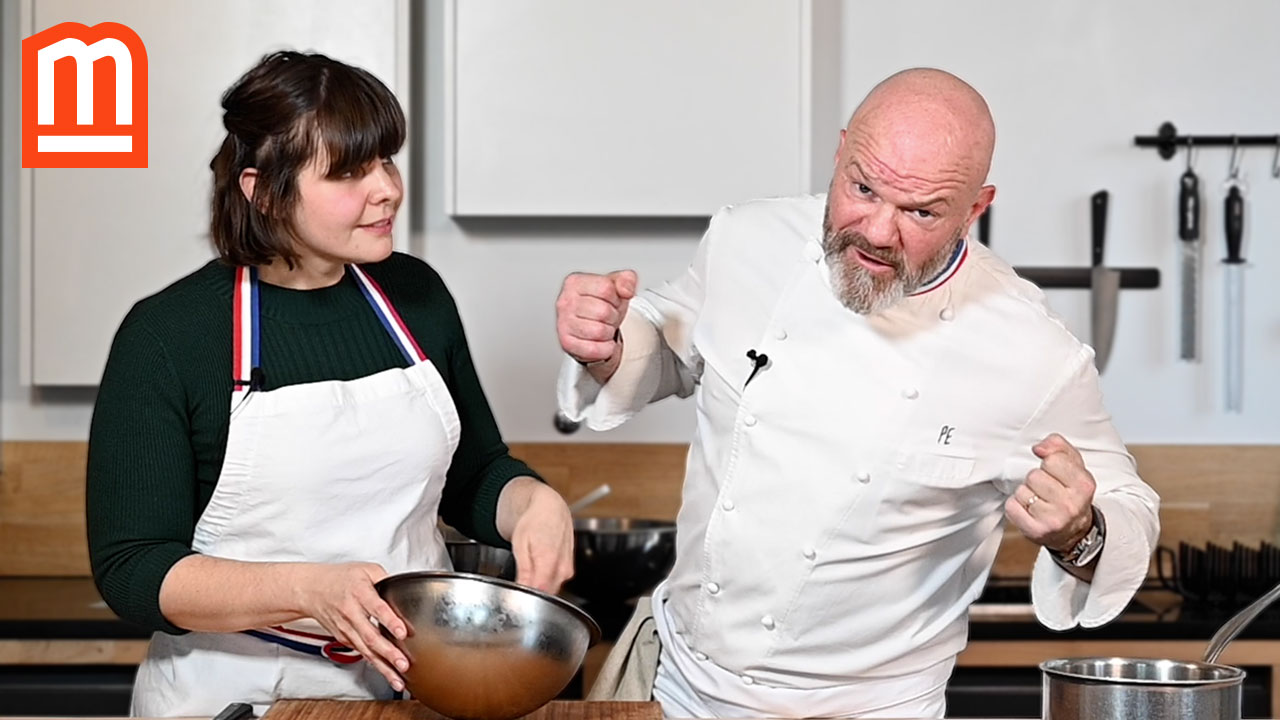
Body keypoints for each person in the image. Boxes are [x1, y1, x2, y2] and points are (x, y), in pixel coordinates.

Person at [554, 68, 1160, 718]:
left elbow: (1127, 507)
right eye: (862, 188)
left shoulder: (1033, 351)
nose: (876, 231)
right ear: (841, 151)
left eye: (920, 211)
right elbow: (671, 338)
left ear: (976, 208)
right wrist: (611, 340)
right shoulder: (745, 239)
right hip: (683, 693)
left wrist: (1079, 533)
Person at [86, 51, 574, 718]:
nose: (388, 189)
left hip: (406, 686)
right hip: (232, 692)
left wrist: (531, 503)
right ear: (262, 190)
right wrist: (307, 590)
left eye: (387, 160)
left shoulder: (417, 297)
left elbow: (472, 473)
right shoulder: (169, 336)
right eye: (349, 172)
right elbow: (134, 569)